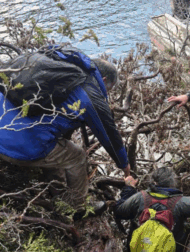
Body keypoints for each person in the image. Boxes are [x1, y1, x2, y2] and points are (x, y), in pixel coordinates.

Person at [0, 46, 130, 211]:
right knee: (77, 156)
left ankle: (58, 193)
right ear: (103, 80)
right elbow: (110, 135)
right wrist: (124, 165)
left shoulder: (61, 64)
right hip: (16, 148)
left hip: (3, 124)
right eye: (108, 90)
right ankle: (76, 208)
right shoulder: (88, 95)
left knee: (58, 146)